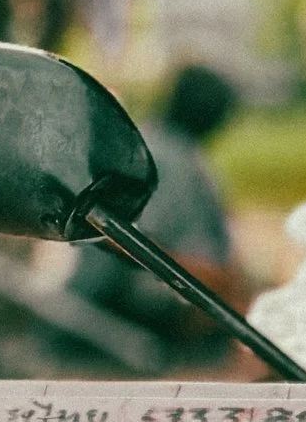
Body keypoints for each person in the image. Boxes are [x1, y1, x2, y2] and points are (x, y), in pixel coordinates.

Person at [72, 62, 243, 348]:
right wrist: (212, 283)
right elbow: (128, 241)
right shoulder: (166, 159)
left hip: (144, 289)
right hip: (128, 299)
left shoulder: (165, 146)